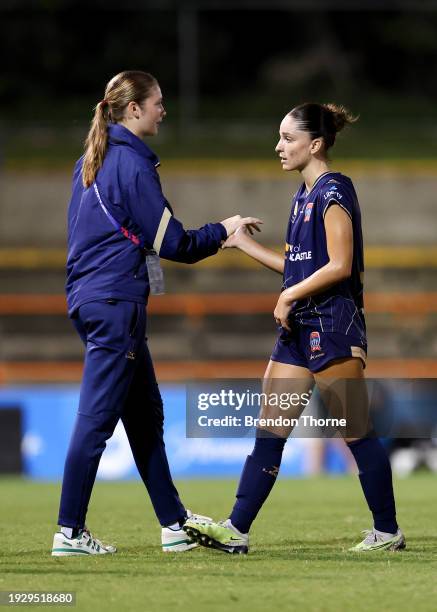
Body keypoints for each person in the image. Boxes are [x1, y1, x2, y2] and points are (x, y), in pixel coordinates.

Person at [51, 70, 261, 556]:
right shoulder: (131, 164)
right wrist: (223, 230)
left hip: (94, 299)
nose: (164, 110)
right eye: (158, 102)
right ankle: (69, 532)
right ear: (134, 110)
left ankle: (173, 524)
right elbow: (174, 244)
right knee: (96, 419)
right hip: (115, 303)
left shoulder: (90, 161)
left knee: (144, 415)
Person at [184, 103, 405, 554]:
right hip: (300, 330)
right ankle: (237, 529)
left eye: (287, 138)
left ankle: (387, 531)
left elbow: (340, 266)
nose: (278, 146)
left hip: (333, 325)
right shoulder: (301, 198)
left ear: (315, 144)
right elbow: (296, 268)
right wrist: (244, 244)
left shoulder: (333, 190)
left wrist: (288, 296)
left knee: (354, 427)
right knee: (271, 428)